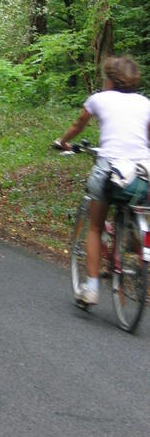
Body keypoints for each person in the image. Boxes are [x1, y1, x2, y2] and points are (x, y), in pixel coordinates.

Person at [55, 55, 150, 306]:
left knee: (95, 227)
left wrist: (62, 142)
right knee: (136, 200)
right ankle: (131, 234)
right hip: (142, 173)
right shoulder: (145, 103)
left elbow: (79, 124)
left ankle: (92, 288)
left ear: (110, 79)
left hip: (111, 170)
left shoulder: (99, 99)